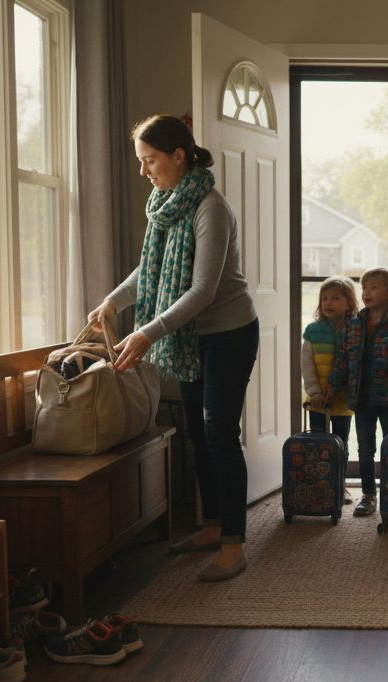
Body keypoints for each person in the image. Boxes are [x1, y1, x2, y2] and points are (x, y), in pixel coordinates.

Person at [88, 114, 258, 583]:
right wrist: (112, 301)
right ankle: (211, 526)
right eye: (140, 161)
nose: (144, 171)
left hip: (228, 333)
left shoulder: (210, 209)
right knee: (198, 433)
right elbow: (152, 269)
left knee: (219, 431)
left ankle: (235, 544)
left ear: (178, 155)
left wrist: (146, 332)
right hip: (190, 337)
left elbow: (202, 291)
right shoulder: (165, 204)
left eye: (150, 160)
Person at [326, 267, 388, 517]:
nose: (367, 293)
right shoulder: (354, 325)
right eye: (364, 288)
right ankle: (369, 494)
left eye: (374, 287)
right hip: (362, 398)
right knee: (365, 448)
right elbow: (342, 360)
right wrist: (332, 387)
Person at [303, 276, 359, 504]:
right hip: (318, 400)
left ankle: (339, 485)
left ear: (349, 303)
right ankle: (319, 486)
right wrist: (314, 391)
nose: (329, 303)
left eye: (336, 298)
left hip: (343, 400)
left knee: (340, 443)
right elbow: (306, 365)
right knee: (319, 443)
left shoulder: (355, 329)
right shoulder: (313, 331)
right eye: (325, 298)